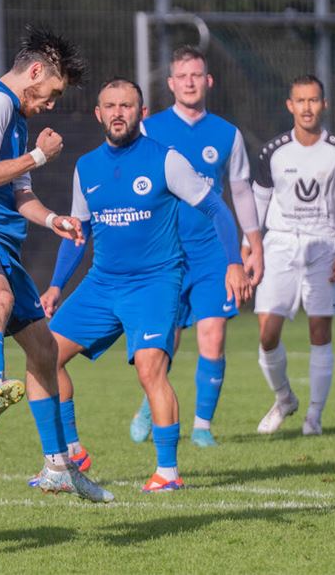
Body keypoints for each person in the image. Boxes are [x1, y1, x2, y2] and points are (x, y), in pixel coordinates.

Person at [42, 78, 249, 492]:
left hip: (155, 283)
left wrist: (234, 263)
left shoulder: (166, 160)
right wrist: (55, 286)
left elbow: (216, 208)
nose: (119, 112)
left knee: (151, 368)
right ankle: (72, 453)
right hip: (102, 283)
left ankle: (168, 473)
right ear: (99, 114)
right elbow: (78, 232)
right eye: (111, 106)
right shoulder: (87, 167)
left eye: (128, 105)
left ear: (142, 113)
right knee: (44, 358)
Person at [0, 24, 112, 502]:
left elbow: (19, 194)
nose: (51, 103)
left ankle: (58, 465)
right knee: (0, 295)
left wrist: (53, 219)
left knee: (44, 350)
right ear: (34, 72)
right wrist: (38, 155)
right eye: (52, 93)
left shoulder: (13, 116)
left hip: (0, 238)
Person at [110, 46, 265, 447]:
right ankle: (151, 401)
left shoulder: (227, 133)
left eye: (197, 74)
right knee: (167, 338)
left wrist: (254, 245)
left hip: (213, 251)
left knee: (212, 334)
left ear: (208, 80)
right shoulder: (149, 129)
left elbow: (241, 191)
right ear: (171, 84)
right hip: (164, 253)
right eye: (183, 76)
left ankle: (201, 426)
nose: (191, 82)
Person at [248, 74, 335, 437]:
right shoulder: (274, 152)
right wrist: (248, 248)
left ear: (324, 104)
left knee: (320, 330)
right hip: (280, 245)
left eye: (313, 100)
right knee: (267, 332)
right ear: (290, 105)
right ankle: (284, 398)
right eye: (300, 100)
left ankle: (314, 417)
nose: (307, 107)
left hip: (323, 245)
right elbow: (256, 202)